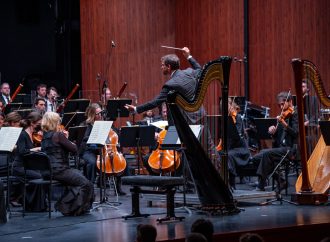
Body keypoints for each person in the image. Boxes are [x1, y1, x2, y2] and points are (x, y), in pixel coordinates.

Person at [41, 112, 94, 216]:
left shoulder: (44, 137)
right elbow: (74, 149)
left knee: (80, 178)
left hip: (48, 171)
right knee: (86, 184)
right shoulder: (58, 135)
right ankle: (66, 206)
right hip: (59, 170)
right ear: (55, 122)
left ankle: (74, 206)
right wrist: (68, 138)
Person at [252, 91, 298, 191]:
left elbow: (295, 133)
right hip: (280, 148)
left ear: (290, 101)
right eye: (279, 105)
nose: (281, 107)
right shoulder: (283, 115)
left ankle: (261, 183)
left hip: (291, 149)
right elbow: (278, 137)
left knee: (267, 154)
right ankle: (280, 180)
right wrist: (273, 131)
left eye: (283, 104)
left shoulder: (296, 113)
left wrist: (284, 124)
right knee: (255, 158)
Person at [11, 112, 46, 210]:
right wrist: (36, 149)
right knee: (39, 176)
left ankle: (37, 204)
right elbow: (22, 151)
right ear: (32, 123)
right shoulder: (23, 134)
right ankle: (32, 204)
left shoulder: (32, 134)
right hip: (19, 167)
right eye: (38, 124)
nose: (39, 126)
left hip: (27, 166)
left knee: (43, 174)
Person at [225, 98, 251, 189]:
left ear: (231, 106)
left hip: (241, 150)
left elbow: (237, 135)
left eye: (226, 106)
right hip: (231, 149)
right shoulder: (224, 118)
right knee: (219, 154)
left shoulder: (238, 117)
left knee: (228, 155)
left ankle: (232, 184)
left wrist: (233, 121)